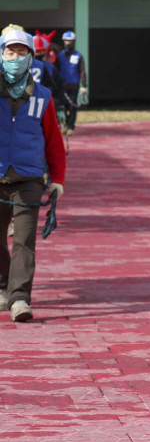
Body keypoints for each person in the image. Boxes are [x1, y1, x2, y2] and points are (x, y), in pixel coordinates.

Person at [0, 25, 66, 323]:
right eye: (9, 51)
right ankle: (3, 286)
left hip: (28, 178)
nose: (15, 57)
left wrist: (57, 179)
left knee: (25, 239)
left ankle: (19, 299)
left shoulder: (42, 96)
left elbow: (53, 140)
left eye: (20, 52)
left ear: (30, 57)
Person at [57, 30, 86, 138]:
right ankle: (63, 125)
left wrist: (84, 85)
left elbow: (82, 71)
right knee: (62, 107)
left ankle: (70, 127)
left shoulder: (78, 56)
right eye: (66, 41)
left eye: (70, 41)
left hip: (73, 86)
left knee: (72, 107)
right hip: (62, 87)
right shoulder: (59, 56)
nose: (68, 43)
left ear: (73, 42)